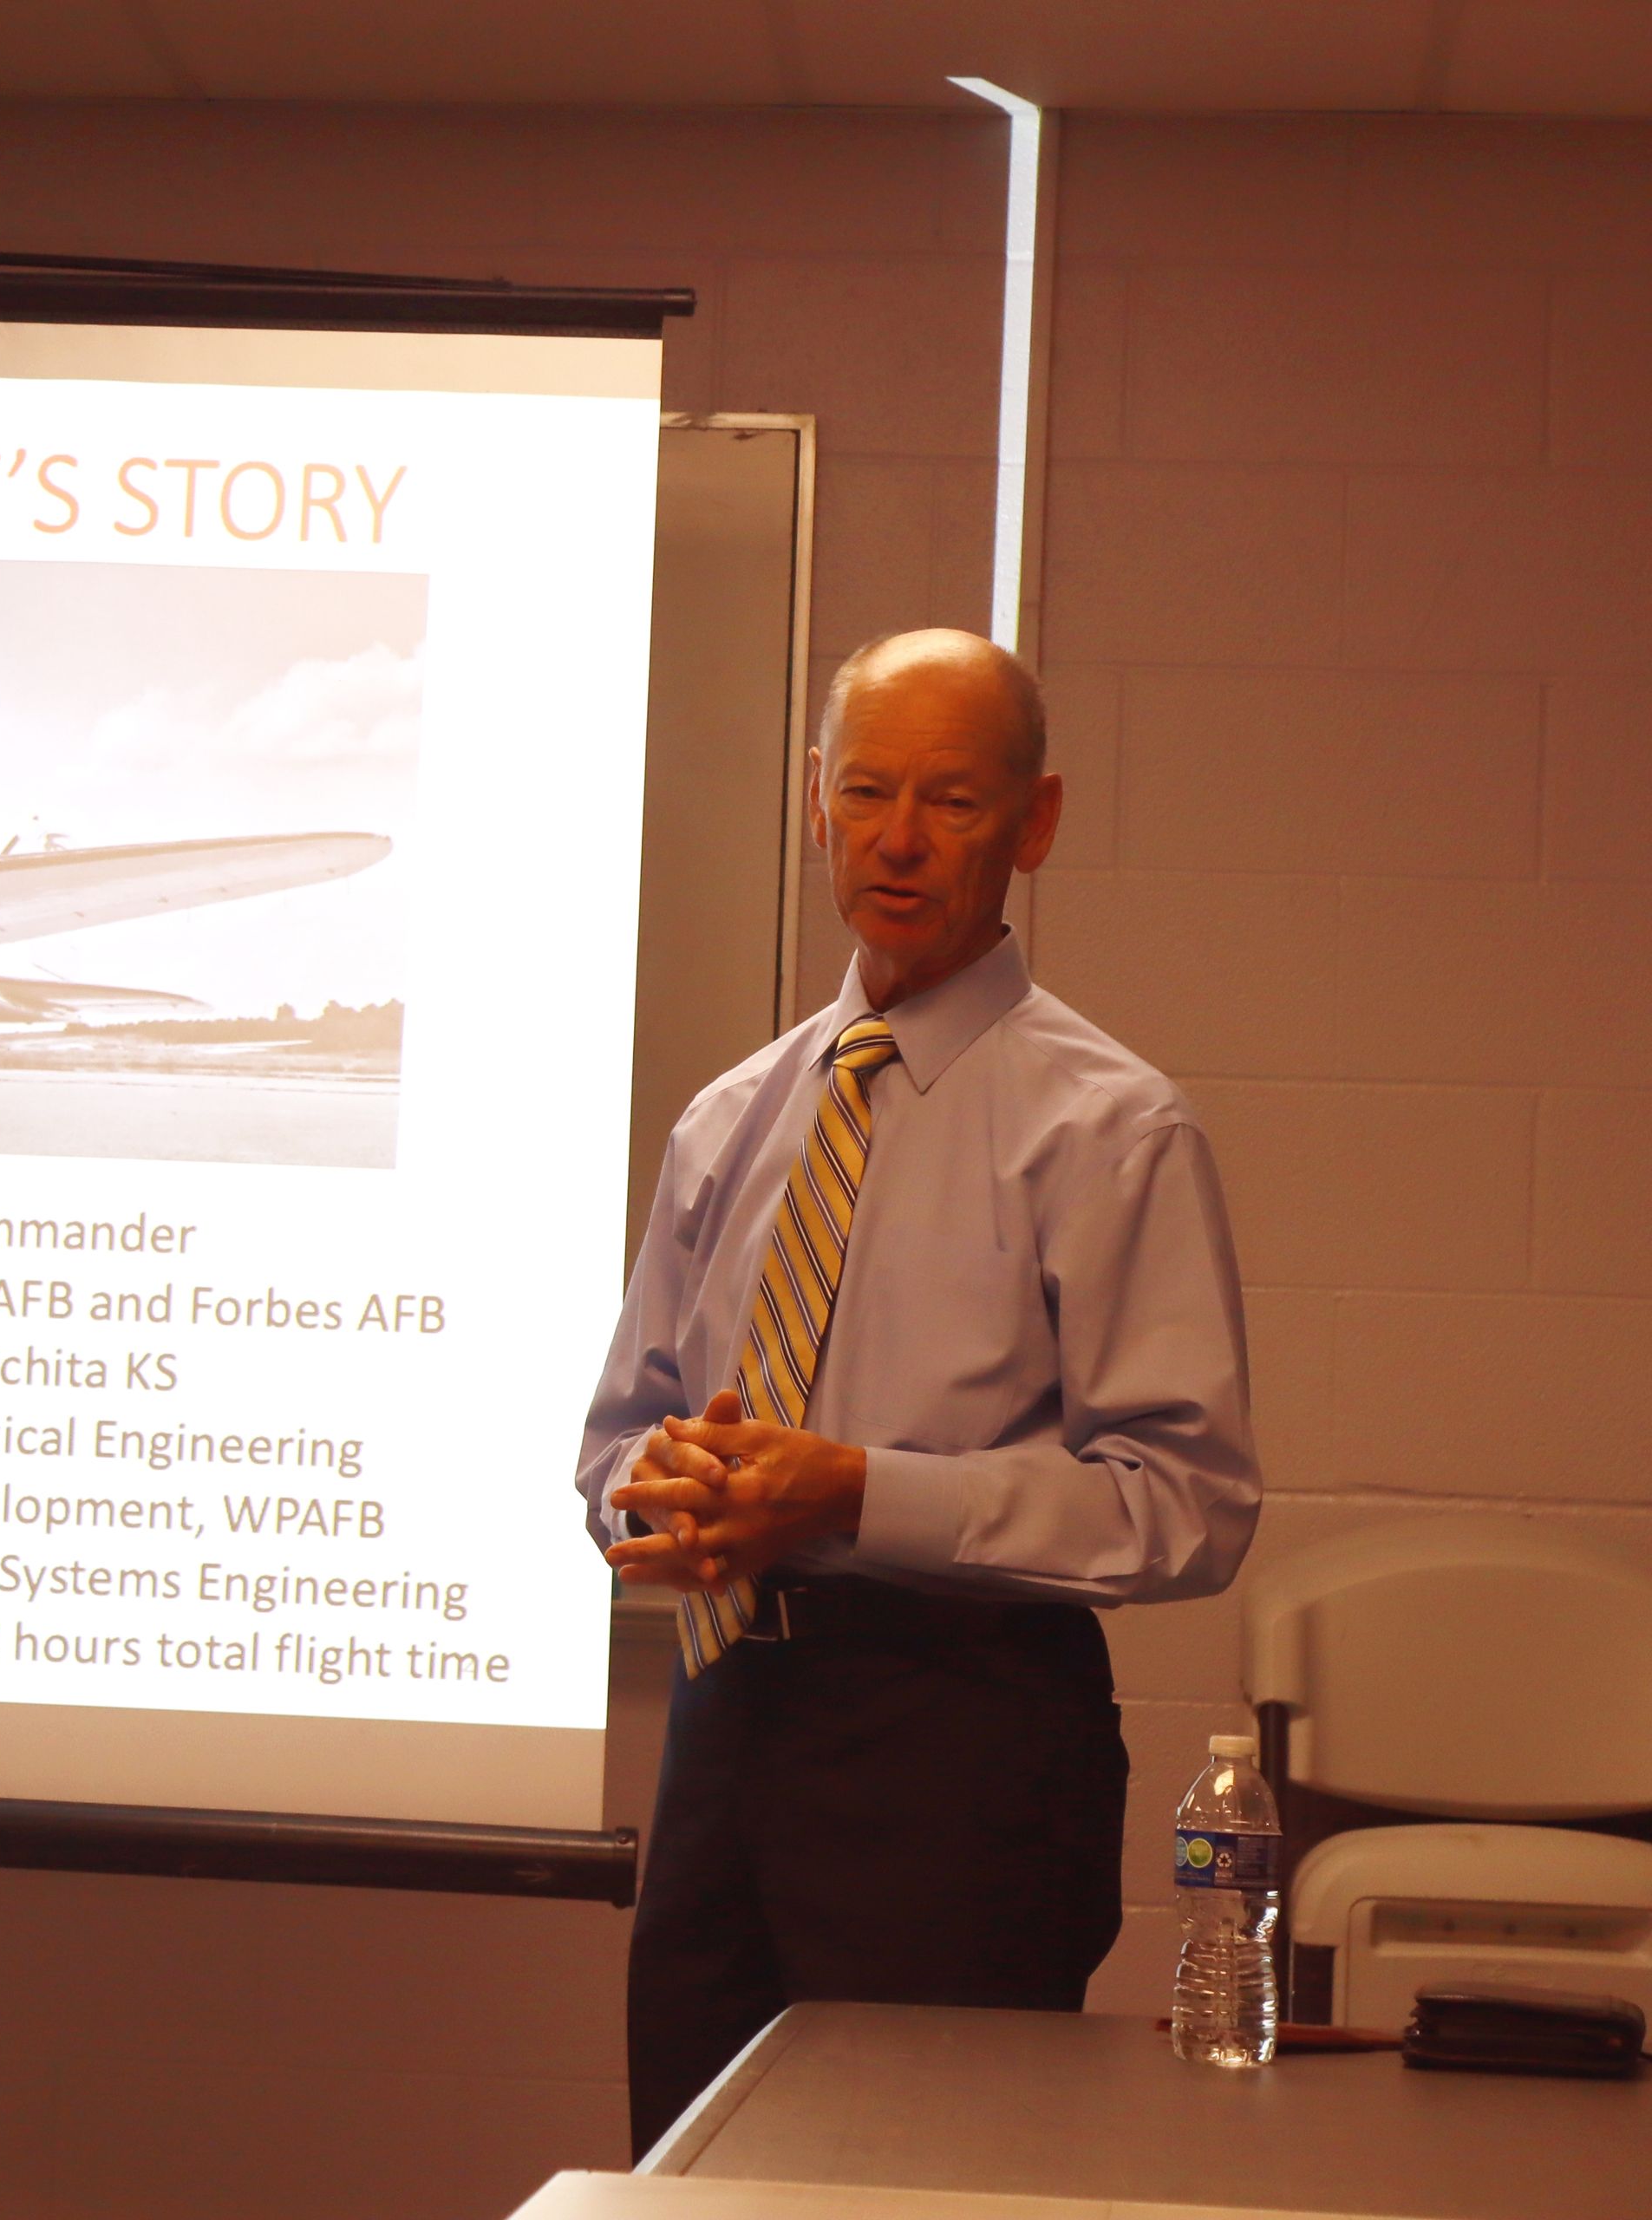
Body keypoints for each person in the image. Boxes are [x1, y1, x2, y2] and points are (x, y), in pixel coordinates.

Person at [578, 628, 1258, 2157]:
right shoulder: (733, 1118)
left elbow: (1189, 1505)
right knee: (692, 2182)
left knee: (923, 2189)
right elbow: (622, 1429)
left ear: (1038, 824)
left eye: (951, 801)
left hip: (965, 1748)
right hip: (726, 1725)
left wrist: (857, 1490)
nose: (897, 839)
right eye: (868, 789)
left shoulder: (1111, 1128)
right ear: (815, 801)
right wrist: (658, 1497)